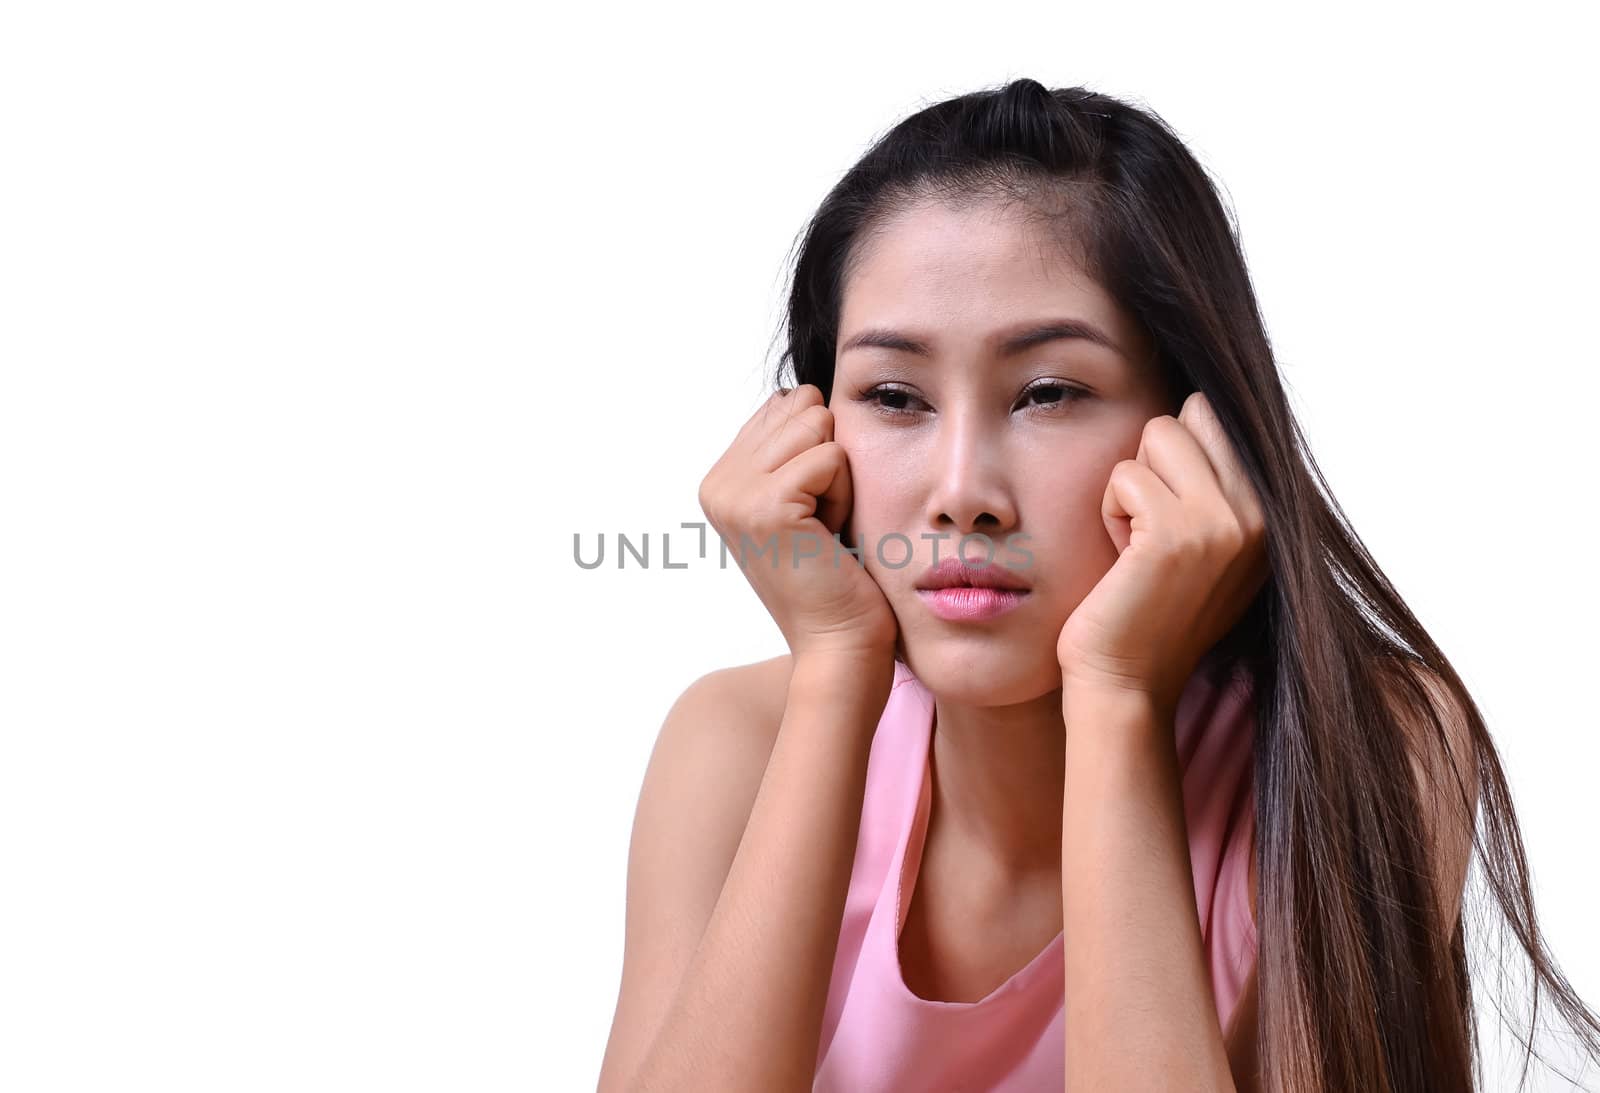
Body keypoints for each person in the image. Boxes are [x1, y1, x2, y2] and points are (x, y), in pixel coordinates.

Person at [596, 78, 1600, 1092]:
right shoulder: (735, 745)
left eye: (1047, 393)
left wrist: (1118, 696)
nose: (961, 494)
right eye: (893, 397)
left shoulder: (1367, 745)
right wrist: (836, 669)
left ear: (1192, 427)